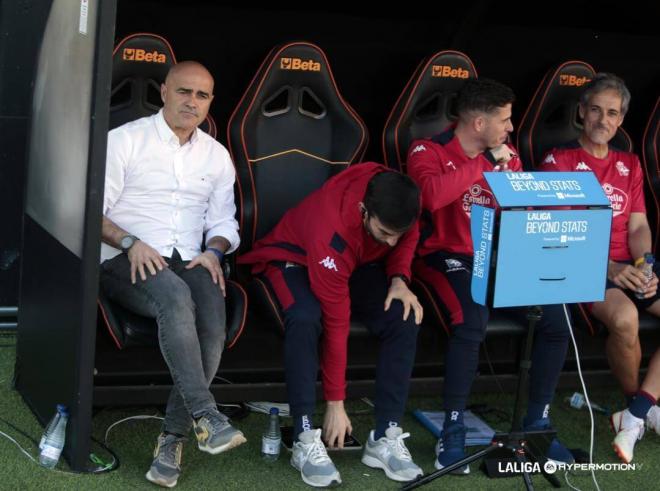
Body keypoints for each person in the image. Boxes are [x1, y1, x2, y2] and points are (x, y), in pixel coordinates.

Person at [407, 78, 574, 474]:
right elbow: (428, 196)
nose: (510, 128)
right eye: (505, 120)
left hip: (495, 258)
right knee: (472, 318)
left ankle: (537, 425)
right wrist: (484, 165)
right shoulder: (426, 150)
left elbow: (519, 213)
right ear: (479, 123)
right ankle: (453, 429)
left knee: (554, 318)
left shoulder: (507, 155)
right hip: (441, 257)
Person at [100, 61, 245, 488]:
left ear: (210, 103)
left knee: (213, 324)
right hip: (124, 258)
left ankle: (173, 436)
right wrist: (130, 242)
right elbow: (92, 212)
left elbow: (224, 223)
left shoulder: (216, 155)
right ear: (163, 91)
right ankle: (205, 413)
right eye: (184, 92)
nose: (191, 102)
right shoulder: (125, 141)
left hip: (189, 258)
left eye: (201, 96)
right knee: (177, 299)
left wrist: (216, 251)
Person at [239, 163, 424, 487]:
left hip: (356, 263)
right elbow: (337, 323)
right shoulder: (334, 228)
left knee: (403, 314)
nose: (392, 243)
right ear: (363, 210)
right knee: (307, 317)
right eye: (384, 233)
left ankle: (384, 436)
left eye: (397, 234)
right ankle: (304, 436)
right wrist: (335, 404)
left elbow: (409, 236)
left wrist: (399, 277)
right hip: (292, 258)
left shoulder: (397, 196)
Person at [538, 73, 660, 463]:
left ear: (621, 119)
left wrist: (645, 263)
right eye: (595, 110)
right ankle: (635, 405)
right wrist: (608, 267)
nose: (602, 120)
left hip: (627, 265)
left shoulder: (630, 164)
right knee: (625, 317)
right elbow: (556, 232)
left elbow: (639, 225)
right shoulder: (559, 161)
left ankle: (638, 412)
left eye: (612, 113)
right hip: (582, 267)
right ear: (581, 112)